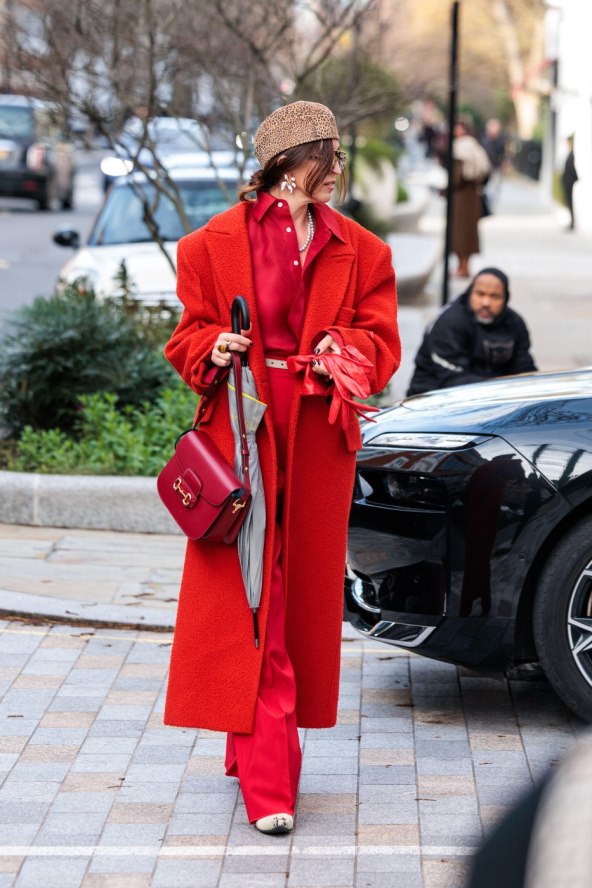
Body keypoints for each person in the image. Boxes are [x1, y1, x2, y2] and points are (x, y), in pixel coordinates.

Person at [162, 101, 401, 835]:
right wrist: (216, 348)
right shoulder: (210, 246)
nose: (339, 171)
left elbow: (380, 342)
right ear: (292, 162)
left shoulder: (361, 248)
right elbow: (186, 341)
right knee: (253, 589)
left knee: (290, 598)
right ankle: (271, 782)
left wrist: (342, 352)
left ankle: (250, 742)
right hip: (244, 433)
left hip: (318, 439)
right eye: (330, 157)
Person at [407, 267, 536, 396]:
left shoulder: (514, 323)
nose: (486, 303)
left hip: (494, 396)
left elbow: (525, 370)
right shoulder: (450, 322)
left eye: (495, 296)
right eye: (480, 294)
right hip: (434, 399)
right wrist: (504, 390)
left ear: (505, 299)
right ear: (470, 293)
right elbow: (452, 379)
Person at [450, 120, 491, 277]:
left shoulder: (462, 147)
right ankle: (463, 266)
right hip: (472, 196)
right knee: (467, 233)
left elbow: (459, 175)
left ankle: (463, 267)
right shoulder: (475, 146)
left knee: (462, 233)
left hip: (462, 196)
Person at [481, 117, 507, 209]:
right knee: (488, 187)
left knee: (495, 187)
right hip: (487, 167)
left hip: (496, 166)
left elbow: (503, 153)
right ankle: (487, 204)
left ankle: (491, 205)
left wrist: (504, 162)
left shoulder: (500, 140)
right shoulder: (484, 140)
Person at [561, 135, 578, 231]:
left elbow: (572, 169)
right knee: (568, 203)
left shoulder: (572, 155)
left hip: (569, 183)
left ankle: (572, 223)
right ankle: (571, 222)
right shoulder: (569, 154)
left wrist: (575, 179)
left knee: (570, 203)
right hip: (567, 182)